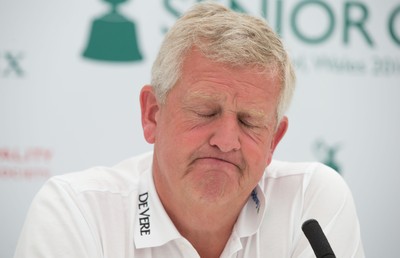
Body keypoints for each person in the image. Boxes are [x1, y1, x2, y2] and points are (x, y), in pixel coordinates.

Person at [14, 2, 364, 258]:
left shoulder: (310, 202)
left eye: (249, 121)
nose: (226, 140)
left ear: (274, 139)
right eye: (205, 111)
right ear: (152, 115)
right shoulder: (75, 212)